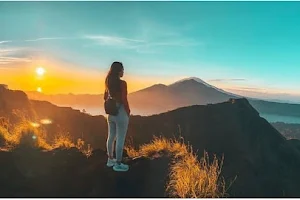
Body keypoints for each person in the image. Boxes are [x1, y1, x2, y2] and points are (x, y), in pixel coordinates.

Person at [104, 61, 130, 172]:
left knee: (111, 137)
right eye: (122, 69)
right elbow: (124, 99)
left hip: (111, 113)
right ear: (119, 71)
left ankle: (110, 160)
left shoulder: (108, 82)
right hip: (121, 113)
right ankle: (118, 164)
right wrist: (128, 111)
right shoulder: (122, 83)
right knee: (120, 138)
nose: (123, 71)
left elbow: (105, 97)